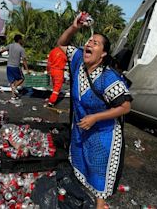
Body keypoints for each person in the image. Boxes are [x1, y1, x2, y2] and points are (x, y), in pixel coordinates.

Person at [57, 12, 132, 209]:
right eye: (90, 40)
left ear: (103, 54)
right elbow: (62, 44)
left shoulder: (108, 78)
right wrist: (74, 27)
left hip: (103, 133)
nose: (90, 43)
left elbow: (125, 106)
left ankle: (100, 204)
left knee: (99, 169)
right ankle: (82, 193)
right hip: (81, 128)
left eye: (96, 43)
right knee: (81, 160)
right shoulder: (78, 61)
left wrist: (96, 117)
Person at [0, 34, 29, 99]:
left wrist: (0, 53)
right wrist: (27, 70)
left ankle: (13, 96)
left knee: (12, 81)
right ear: (20, 40)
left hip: (9, 66)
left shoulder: (10, 45)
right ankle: (15, 88)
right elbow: (24, 60)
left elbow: (2, 51)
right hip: (15, 67)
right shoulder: (21, 48)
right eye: (22, 39)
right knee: (22, 78)